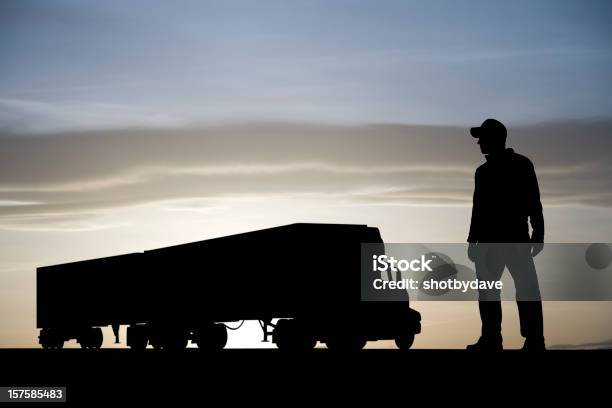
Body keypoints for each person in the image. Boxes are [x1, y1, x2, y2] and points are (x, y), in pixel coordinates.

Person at [466, 118, 546, 351]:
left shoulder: (522, 165)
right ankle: (491, 338)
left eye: (483, 137)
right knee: (489, 291)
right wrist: (473, 239)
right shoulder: (482, 172)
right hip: (489, 242)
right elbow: (478, 208)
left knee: (527, 289)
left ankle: (534, 339)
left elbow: (534, 200)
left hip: (515, 238)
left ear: (495, 139)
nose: (479, 142)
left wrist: (538, 232)